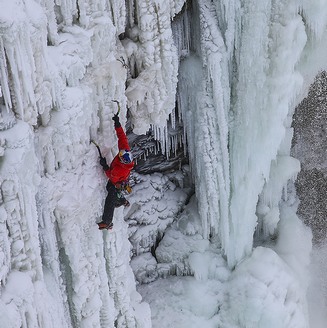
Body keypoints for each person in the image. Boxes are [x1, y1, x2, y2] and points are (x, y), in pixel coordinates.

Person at [97, 113, 134, 230]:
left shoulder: (120, 169)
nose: (119, 153)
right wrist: (117, 124)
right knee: (112, 193)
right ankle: (121, 200)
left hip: (117, 181)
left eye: (120, 155)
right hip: (121, 179)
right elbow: (122, 137)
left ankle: (107, 221)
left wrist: (105, 166)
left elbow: (111, 176)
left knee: (110, 196)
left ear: (123, 160)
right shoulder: (125, 151)